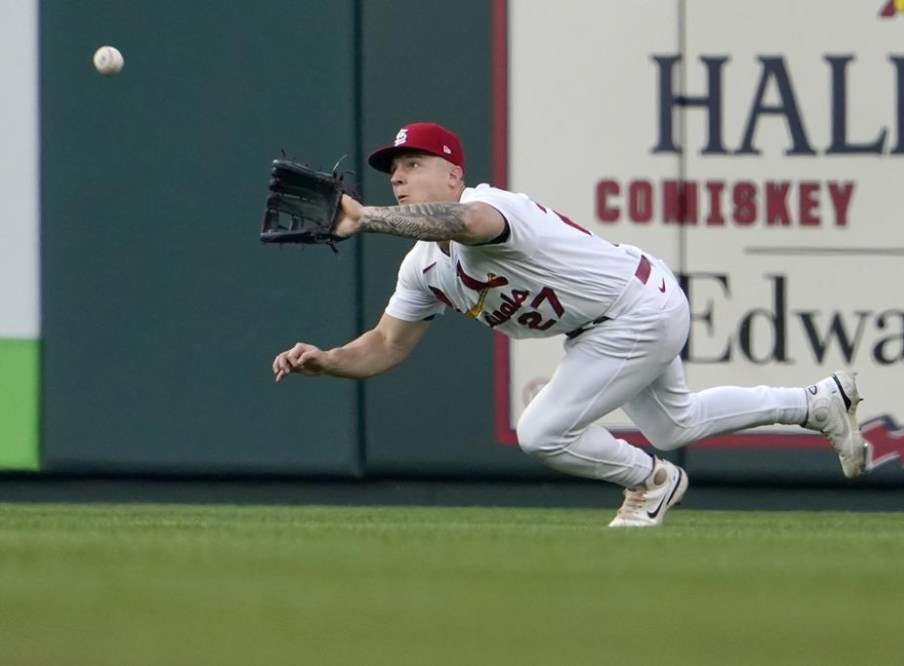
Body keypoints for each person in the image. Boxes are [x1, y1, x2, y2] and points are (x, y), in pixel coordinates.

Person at [272, 122, 870, 527]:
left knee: (542, 431)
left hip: (636, 310)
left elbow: (470, 222)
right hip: (618, 314)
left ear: (453, 173)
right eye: (392, 169)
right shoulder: (425, 268)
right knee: (673, 422)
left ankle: (651, 482)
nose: (398, 177)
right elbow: (385, 344)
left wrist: (368, 218)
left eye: (413, 163)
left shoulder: (495, 205)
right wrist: (326, 361)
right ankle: (818, 403)